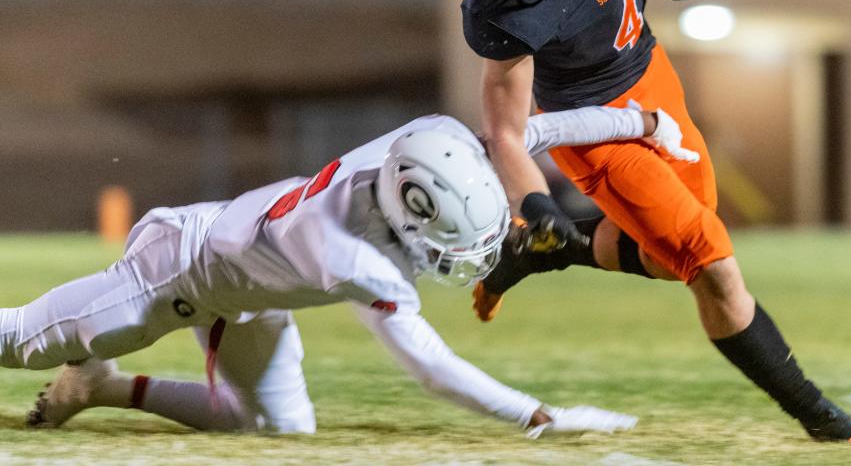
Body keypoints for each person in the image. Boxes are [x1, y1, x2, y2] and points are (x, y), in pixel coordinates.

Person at [461, 0, 851, 443]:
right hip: (591, 128)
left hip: (652, 80)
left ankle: (555, 251)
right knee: (709, 262)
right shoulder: (503, 0)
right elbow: (504, 133)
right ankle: (821, 419)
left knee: (673, 261)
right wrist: (534, 204)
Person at [1, 105, 671, 436]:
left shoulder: (428, 145)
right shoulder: (347, 254)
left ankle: (97, 388)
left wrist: (643, 121)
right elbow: (432, 369)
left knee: (273, 430)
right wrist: (539, 416)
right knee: (15, 342)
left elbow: (532, 130)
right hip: (169, 276)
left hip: (250, 288)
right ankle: (83, 364)